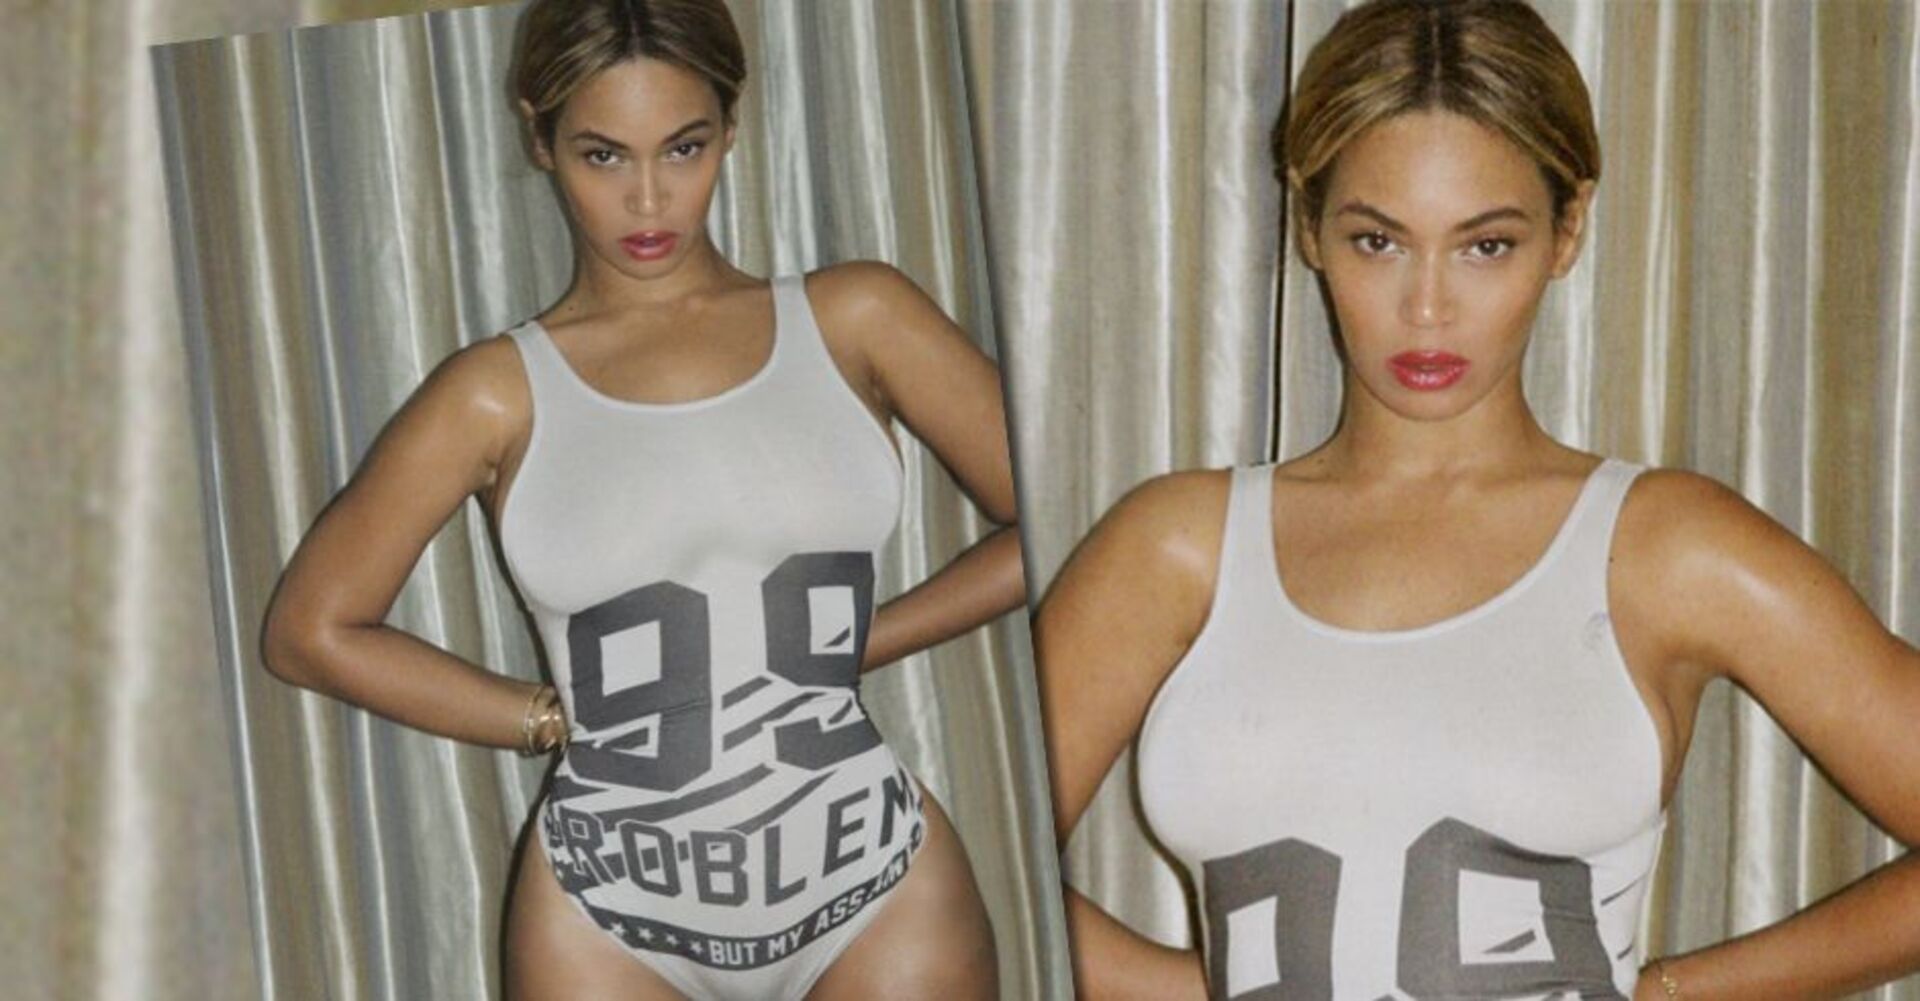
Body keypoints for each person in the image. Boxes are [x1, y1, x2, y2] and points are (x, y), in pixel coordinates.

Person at [1036, 1, 1920, 998]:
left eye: (1484, 245)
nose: (1427, 307)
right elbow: (981, 853)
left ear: (1568, 229)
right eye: (1378, 241)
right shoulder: (1178, 548)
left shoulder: (1664, 548)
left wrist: (1670, 992)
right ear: (1309, 225)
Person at [259, 1, 1016, 997]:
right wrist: (541, 717)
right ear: (540, 138)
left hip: (874, 878)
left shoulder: (858, 316)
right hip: (603, 909)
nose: (649, 199)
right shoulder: (493, 392)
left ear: (731, 127)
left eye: (684, 147)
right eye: (603, 155)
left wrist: (868, 639)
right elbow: (309, 631)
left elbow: (1055, 521)